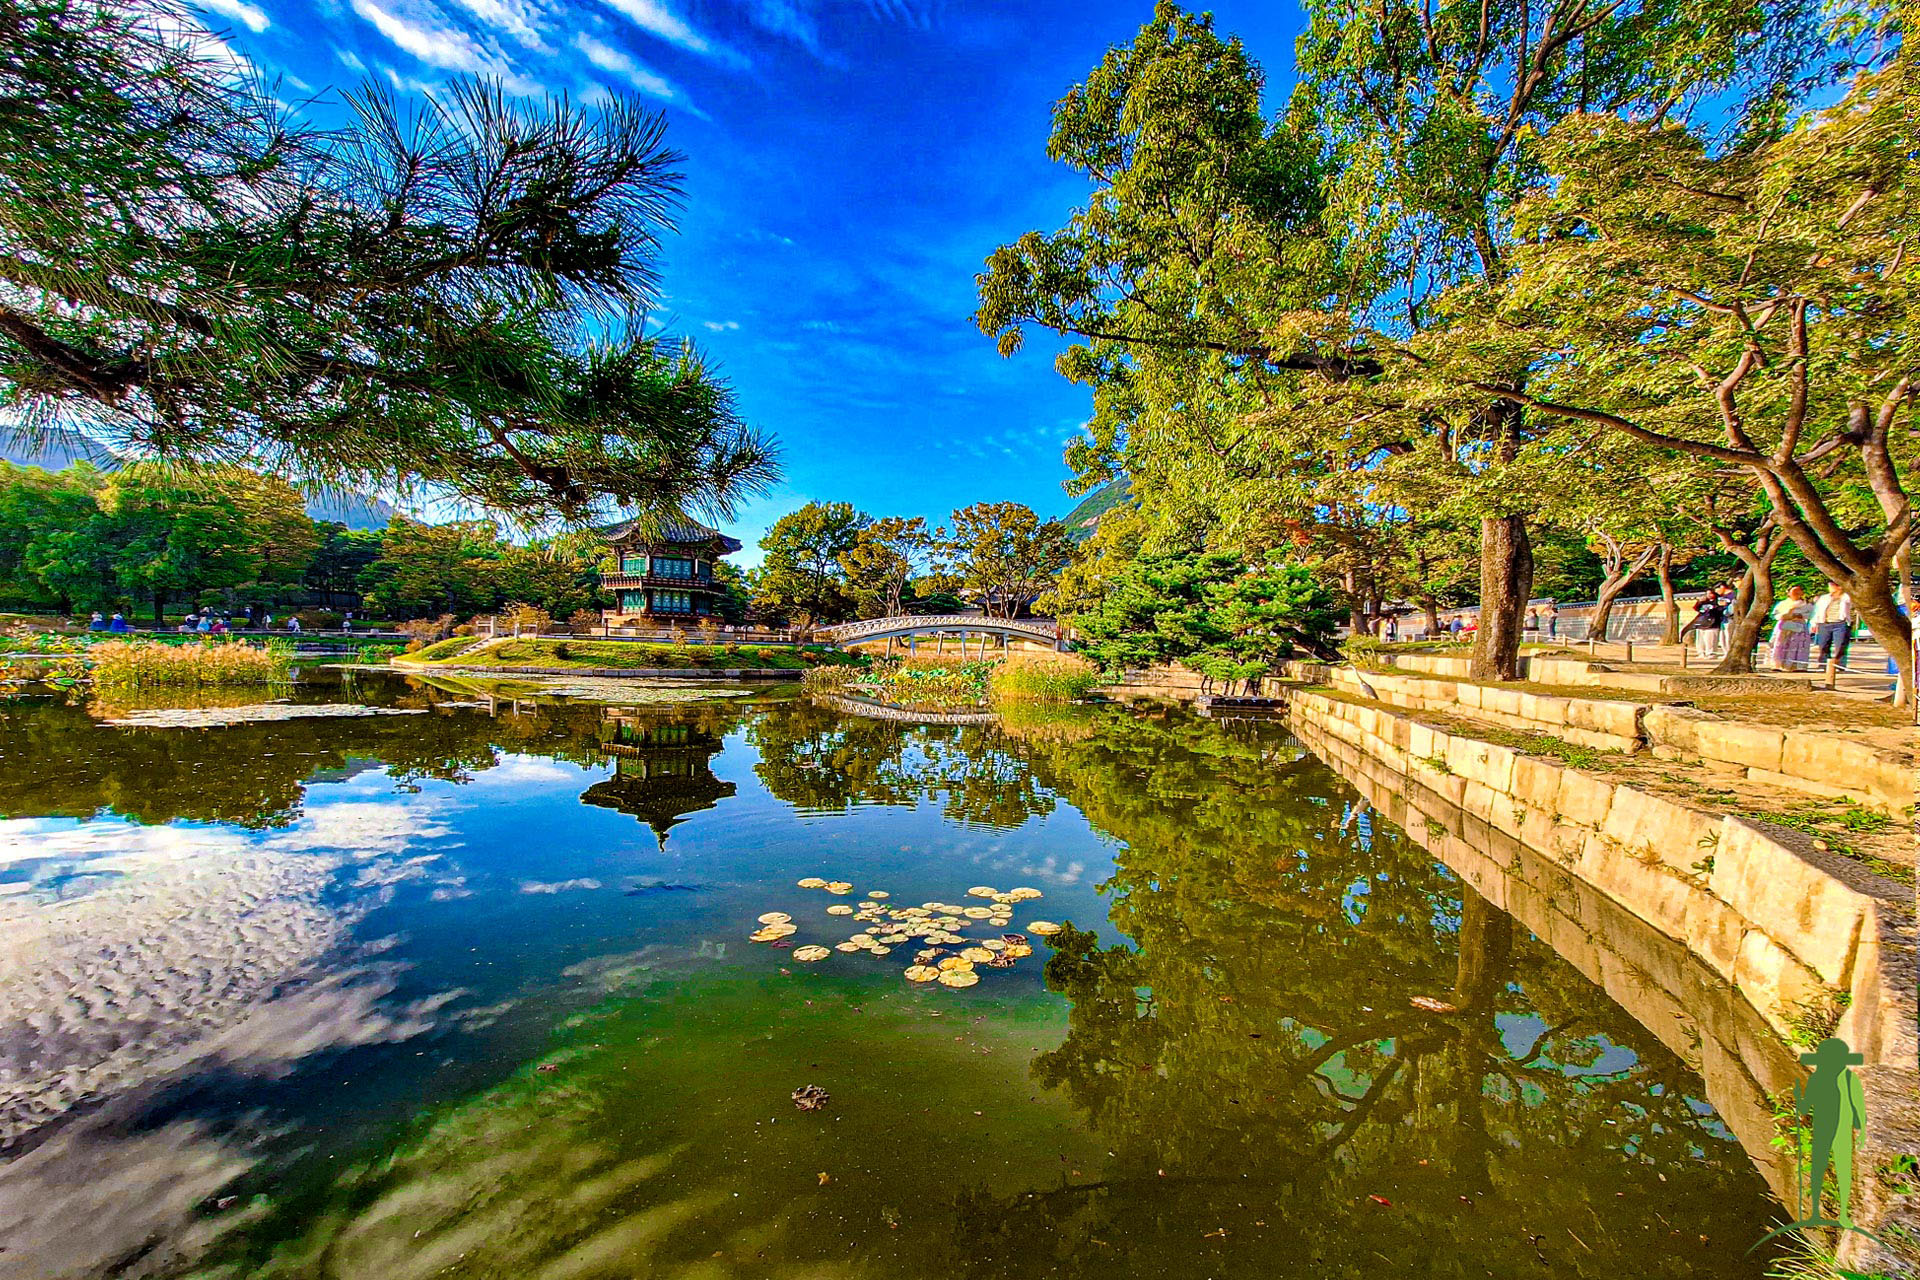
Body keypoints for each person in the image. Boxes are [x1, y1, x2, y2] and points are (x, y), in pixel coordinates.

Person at [1809, 585, 1854, 671]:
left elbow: (1852, 602)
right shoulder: (1824, 598)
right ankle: (1823, 664)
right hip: (1824, 623)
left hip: (1841, 623)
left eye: (1832, 586)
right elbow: (1817, 611)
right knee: (1823, 645)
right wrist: (1814, 623)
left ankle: (1839, 665)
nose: (1830, 588)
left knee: (1840, 645)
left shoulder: (1846, 597)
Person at [1769, 586, 1814, 671]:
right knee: (1781, 644)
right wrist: (1784, 616)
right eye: (1794, 591)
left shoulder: (1806, 605)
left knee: (1799, 645)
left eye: (1798, 591)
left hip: (1799, 626)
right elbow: (1774, 615)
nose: (1796, 593)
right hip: (1784, 626)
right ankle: (1778, 665)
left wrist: (1800, 616)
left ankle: (1798, 666)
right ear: (1789, 593)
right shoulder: (1782, 604)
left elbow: (1812, 614)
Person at [1691, 588, 1726, 661]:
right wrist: (1699, 602)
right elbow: (1696, 608)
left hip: (1712, 624)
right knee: (1701, 640)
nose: (1708, 595)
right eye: (1707, 594)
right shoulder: (1703, 602)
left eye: (1710, 593)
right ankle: (1701, 653)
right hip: (1702, 623)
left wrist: (1716, 606)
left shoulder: (1718, 602)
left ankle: (1711, 653)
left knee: (1710, 640)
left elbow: (1719, 610)